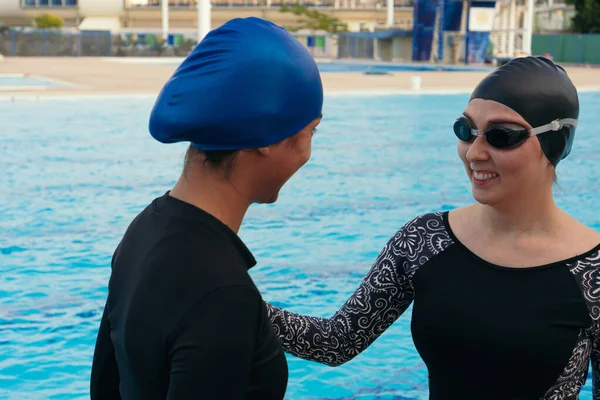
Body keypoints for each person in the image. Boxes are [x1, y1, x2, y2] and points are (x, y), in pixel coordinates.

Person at [267, 56, 600, 399]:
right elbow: (337, 341)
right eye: (466, 131)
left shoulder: (593, 271)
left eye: (501, 136)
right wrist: (237, 300)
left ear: (556, 143)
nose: (475, 153)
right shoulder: (425, 240)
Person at [90, 17, 323, 399]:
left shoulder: (142, 231)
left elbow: (105, 384)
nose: (308, 155)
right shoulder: (223, 296)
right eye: (310, 132)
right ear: (267, 137)